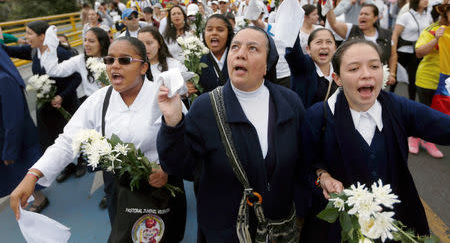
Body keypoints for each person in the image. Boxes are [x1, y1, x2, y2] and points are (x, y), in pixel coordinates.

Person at [10, 37, 187, 242]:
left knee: (164, 235)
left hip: (162, 184)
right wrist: (32, 175)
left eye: (124, 60)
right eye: (110, 60)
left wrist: (167, 169)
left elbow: (187, 140)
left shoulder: (164, 96)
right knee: (125, 233)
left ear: (143, 67)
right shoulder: (98, 100)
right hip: (119, 187)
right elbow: (68, 141)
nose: (114, 66)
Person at [157, 26, 305, 241]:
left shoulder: (289, 103)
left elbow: (303, 163)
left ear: (267, 65)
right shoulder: (205, 107)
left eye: (253, 48)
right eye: (235, 47)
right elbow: (180, 167)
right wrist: (172, 121)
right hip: (225, 231)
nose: (240, 53)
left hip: (279, 229)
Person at [301, 39, 450, 242]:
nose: (366, 74)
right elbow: (305, 168)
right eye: (354, 69)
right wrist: (323, 177)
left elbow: (443, 127)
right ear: (337, 78)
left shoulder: (398, 107)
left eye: (374, 66)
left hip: (392, 224)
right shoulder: (319, 117)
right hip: (338, 230)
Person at [3, 20, 81, 212]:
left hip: (65, 105)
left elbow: (76, 77)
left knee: (73, 136)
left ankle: (81, 164)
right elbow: (9, 50)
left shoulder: (60, 53)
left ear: (42, 37)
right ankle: (68, 166)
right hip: (47, 108)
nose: (26, 38)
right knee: (55, 138)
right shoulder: (33, 52)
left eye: (29, 34)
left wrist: (61, 96)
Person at [40, 27, 111, 181]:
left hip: (114, 110)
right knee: (99, 153)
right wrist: (52, 45)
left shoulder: (112, 58)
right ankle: (108, 188)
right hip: (94, 114)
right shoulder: (80, 60)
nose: (86, 44)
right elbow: (54, 70)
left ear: (102, 43)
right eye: (85, 40)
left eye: (91, 41)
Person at [0, 44, 42, 200]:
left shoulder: (4, 81)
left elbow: (13, 120)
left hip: (15, 140)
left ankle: (39, 199)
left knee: (25, 172)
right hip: (7, 140)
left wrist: (9, 150)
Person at [410, 3, 449, 158]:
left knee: (437, 114)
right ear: (446, 14)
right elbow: (419, 52)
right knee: (423, 112)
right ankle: (413, 137)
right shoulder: (433, 29)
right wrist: (436, 39)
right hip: (428, 78)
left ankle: (428, 140)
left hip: (446, 82)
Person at [325, 3, 394, 82]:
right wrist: (328, 5)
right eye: (361, 14)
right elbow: (334, 23)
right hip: (355, 78)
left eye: (366, 14)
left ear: (375, 18)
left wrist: (392, 74)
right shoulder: (351, 30)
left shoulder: (386, 34)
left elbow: (393, 55)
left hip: (378, 78)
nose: (362, 16)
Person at [391, 0, 433, 100]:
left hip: (418, 52)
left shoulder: (427, 15)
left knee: (413, 79)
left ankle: (412, 102)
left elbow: (431, 30)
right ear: (416, 0)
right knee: (395, 78)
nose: (426, 0)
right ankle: (389, 96)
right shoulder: (406, 16)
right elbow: (395, 34)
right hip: (404, 51)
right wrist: (393, 51)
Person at [286, 28, 338, 109]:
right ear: (308, 49)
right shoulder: (303, 67)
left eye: (329, 42)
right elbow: (292, 51)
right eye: (318, 42)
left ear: (335, 48)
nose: (324, 46)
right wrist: (293, 20)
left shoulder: (340, 71)